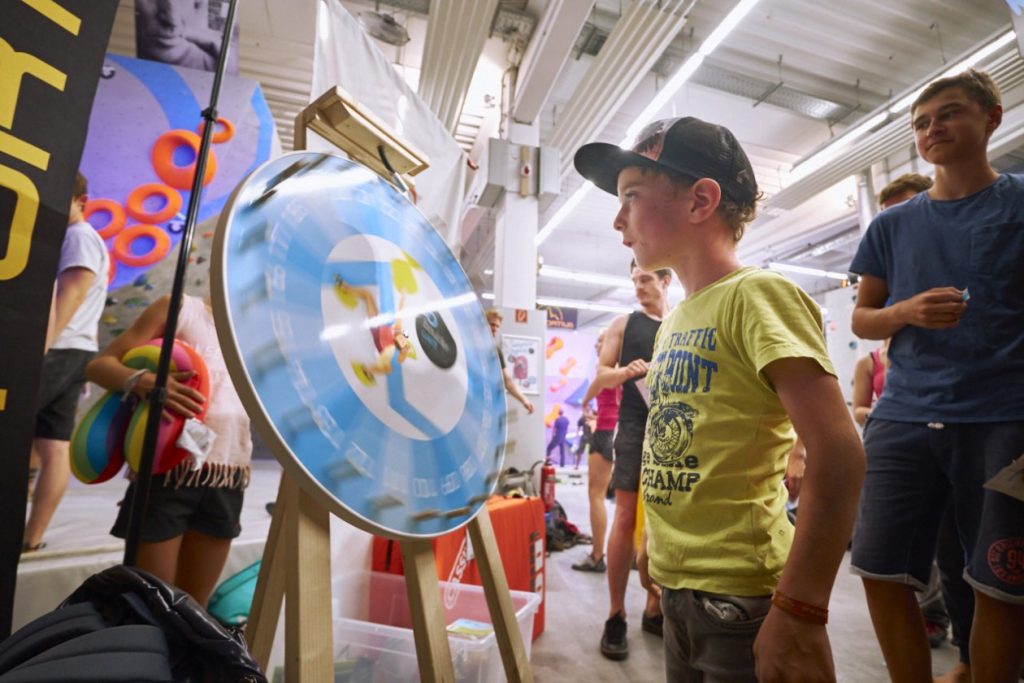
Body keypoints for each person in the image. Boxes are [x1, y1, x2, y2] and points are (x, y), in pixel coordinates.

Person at [574, 116, 865, 681]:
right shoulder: (677, 316)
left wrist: (801, 609)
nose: (617, 220)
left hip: (742, 596)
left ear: (701, 200)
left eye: (631, 196)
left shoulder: (757, 297)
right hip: (681, 584)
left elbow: (841, 453)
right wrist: (660, 548)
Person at [849, 69, 1023, 683]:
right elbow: (864, 318)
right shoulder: (891, 227)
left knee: (1000, 583)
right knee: (877, 567)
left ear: (992, 117)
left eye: (948, 114)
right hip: (903, 417)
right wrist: (906, 311)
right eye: (921, 122)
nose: (932, 129)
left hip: (1004, 419)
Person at [86, 293, 252, 607]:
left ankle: (181, 657)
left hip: (226, 474)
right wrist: (142, 381)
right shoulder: (180, 308)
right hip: (166, 470)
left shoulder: (257, 328)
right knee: (152, 605)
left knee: (193, 610)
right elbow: (99, 366)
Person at [581, 261, 670, 660]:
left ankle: (656, 608)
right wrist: (623, 372)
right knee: (625, 517)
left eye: (646, 280)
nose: (638, 287)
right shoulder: (623, 324)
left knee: (669, 521)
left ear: (666, 281)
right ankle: (616, 614)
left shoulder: (683, 322)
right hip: (634, 427)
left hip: (675, 426)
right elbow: (599, 377)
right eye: (634, 280)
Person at [23, 172, 110, 552]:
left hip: (59, 348)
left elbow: (72, 294)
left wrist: (37, 350)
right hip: (76, 349)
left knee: (34, 437)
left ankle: (30, 534)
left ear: (81, 201)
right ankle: (32, 538)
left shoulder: (78, 237)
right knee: (53, 443)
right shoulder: (82, 239)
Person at [572, 330, 620, 574]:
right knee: (620, 500)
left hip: (606, 432)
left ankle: (598, 555)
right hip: (612, 431)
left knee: (596, 495)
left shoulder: (610, 368)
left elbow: (600, 382)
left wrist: (584, 402)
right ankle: (624, 554)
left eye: (602, 340)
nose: (597, 345)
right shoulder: (619, 368)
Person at [485, 308, 534, 415]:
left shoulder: (495, 350)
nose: (495, 329)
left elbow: (507, 381)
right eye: (492, 324)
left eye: (497, 326)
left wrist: (524, 400)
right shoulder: (469, 346)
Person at [574, 403, 595, 468]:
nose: (587, 409)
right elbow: (578, 426)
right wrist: (577, 435)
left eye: (588, 408)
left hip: (592, 437)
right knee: (579, 451)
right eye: (586, 408)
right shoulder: (582, 418)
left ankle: (593, 466)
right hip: (584, 437)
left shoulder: (592, 417)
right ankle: (577, 465)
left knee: (593, 452)